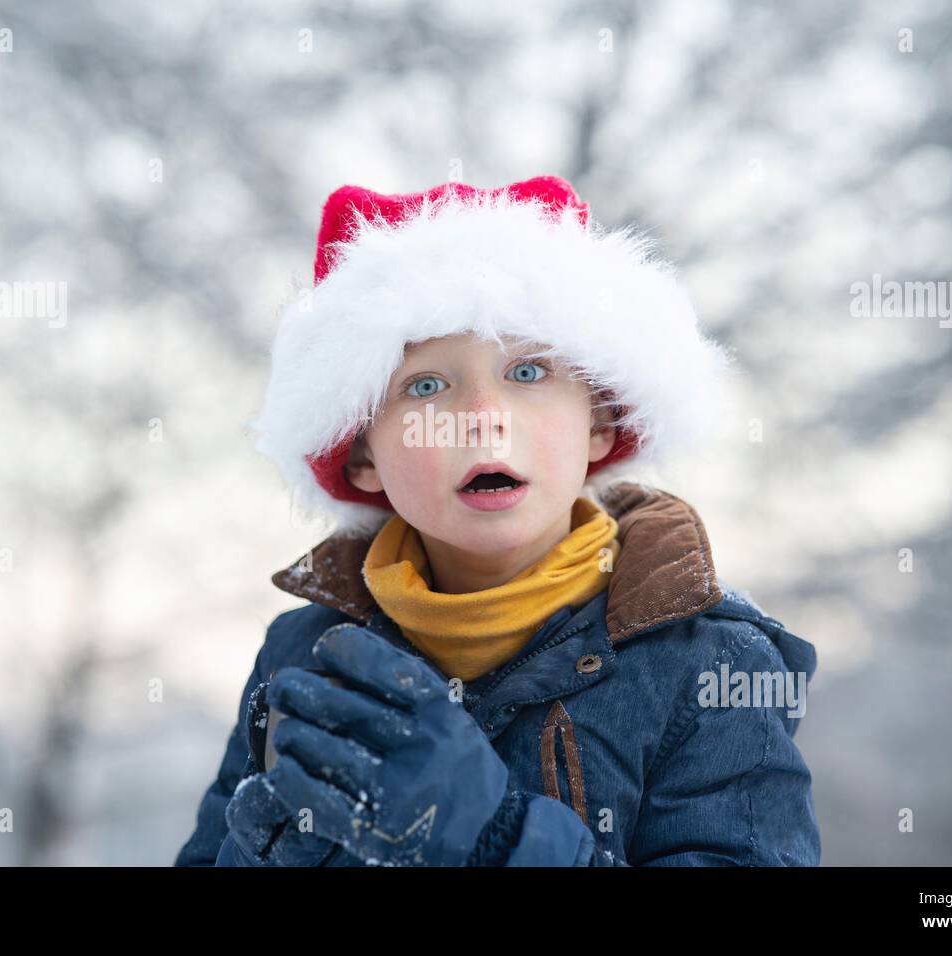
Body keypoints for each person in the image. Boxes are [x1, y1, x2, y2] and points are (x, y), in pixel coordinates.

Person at [173, 175, 821, 866]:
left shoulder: (711, 661)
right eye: (427, 386)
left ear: (600, 424)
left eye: (529, 373)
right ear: (361, 455)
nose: (485, 416)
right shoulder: (301, 657)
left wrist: (494, 840)